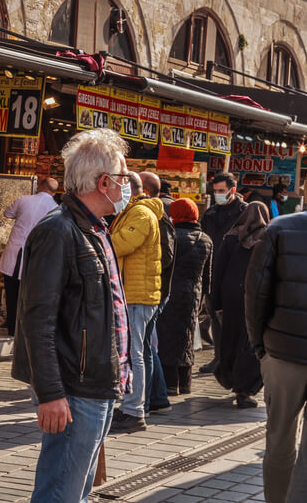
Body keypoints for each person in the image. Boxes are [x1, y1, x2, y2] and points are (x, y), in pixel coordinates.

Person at [12, 128, 132, 502]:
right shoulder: (58, 231)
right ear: (104, 181)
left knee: (75, 490)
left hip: (97, 383)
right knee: (60, 491)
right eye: (124, 178)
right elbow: (37, 319)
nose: (128, 187)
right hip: (74, 389)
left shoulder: (94, 229)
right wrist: (50, 393)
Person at [246, 197, 307, 501]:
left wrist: (259, 344)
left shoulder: (281, 228)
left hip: (282, 351)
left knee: (278, 438)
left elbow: (256, 292)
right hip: (284, 350)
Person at [108, 171, 164, 433]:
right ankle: (131, 406)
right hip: (133, 292)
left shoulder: (141, 214)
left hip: (138, 294)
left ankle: (134, 410)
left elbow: (119, 245)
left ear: (129, 187)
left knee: (134, 354)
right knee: (134, 352)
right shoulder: (131, 212)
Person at [210, 201, 267, 409]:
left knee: (230, 337)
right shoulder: (267, 238)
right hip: (255, 297)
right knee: (250, 341)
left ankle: (230, 377)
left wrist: (215, 302)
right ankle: (244, 389)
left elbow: (218, 271)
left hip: (230, 296)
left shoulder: (231, 237)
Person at [157, 198, 212, 396]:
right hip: (193, 295)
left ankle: (170, 384)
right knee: (187, 336)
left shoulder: (171, 235)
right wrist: (203, 300)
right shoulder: (206, 239)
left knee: (167, 337)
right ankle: (185, 383)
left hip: (169, 293)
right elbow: (207, 276)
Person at [0, 177, 59, 336]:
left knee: (11, 291)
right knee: (27, 294)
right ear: (54, 192)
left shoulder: (23, 199)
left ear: (40, 187)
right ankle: (21, 327)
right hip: (35, 256)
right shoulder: (55, 209)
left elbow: (7, 213)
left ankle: (11, 325)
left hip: (15, 252)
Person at [199, 172, 248, 374]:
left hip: (235, 274)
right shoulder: (210, 214)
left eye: (222, 191)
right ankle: (218, 358)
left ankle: (234, 362)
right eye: (216, 191)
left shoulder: (245, 212)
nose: (218, 194)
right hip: (213, 273)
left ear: (232, 190)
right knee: (215, 317)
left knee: (235, 321)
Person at [140, 171, 174, 417]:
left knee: (144, 347)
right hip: (154, 290)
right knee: (147, 345)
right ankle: (158, 398)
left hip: (151, 291)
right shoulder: (154, 214)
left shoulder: (154, 217)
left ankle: (150, 399)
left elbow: (166, 257)